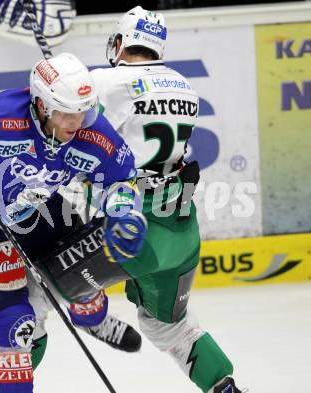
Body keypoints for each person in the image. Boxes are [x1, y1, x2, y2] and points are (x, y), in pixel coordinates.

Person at [0, 52, 147, 393]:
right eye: (65, 111)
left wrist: (124, 212)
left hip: (40, 209)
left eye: (82, 110)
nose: (75, 122)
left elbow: (121, 180)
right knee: (14, 326)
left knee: (86, 275)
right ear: (42, 105)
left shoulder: (92, 130)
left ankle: (91, 318)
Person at [88, 6, 243, 393]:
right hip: (181, 231)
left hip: (131, 230)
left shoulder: (103, 82)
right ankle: (225, 388)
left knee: (29, 295)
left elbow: (68, 136)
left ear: (121, 42)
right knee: (167, 325)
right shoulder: (182, 85)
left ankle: (88, 313)